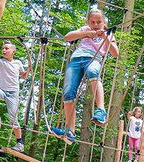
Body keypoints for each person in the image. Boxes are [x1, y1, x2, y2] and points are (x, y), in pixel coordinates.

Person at [51, 8, 119, 144]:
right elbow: (67, 37)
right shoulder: (85, 30)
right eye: (92, 22)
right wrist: (87, 33)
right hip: (76, 59)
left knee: (93, 72)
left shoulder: (109, 34)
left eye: (98, 22)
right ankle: (70, 132)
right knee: (68, 92)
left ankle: (101, 110)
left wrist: (104, 36)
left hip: (93, 58)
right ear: (88, 22)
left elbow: (115, 53)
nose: (95, 24)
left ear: (104, 22)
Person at [0, 41, 30, 152]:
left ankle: (19, 143)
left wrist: (29, 68)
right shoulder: (0, 62)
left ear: (13, 51)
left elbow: (23, 76)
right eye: (3, 48)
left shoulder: (18, 63)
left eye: (6, 48)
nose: (4, 50)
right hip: (2, 91)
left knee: (13, 118)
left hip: (13, 94)